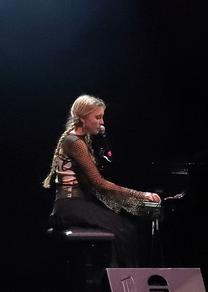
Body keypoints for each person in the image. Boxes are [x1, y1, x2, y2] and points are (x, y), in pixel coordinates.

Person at [43, 94, 160, 267]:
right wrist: (141, 195)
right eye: (97, 117)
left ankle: (116, 276)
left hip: (73, 205)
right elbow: (99, 183)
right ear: (82, 118)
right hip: (70, 206)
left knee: (126, 228)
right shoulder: (75, 142)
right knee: (124, 230)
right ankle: (122, 279)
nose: (102, 122)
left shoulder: (78, 140)